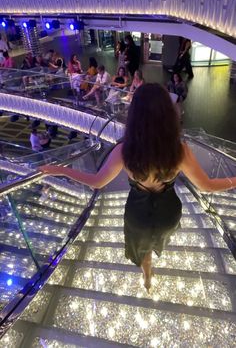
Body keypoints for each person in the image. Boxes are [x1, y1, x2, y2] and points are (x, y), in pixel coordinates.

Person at [39, 83, 236, 291]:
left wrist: (61, 170)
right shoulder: (180, 151)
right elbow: (206, 186)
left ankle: (147, 277)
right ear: (168, 115)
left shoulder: (124, 151)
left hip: (137, 214)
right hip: (167, 215)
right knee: (156, 239)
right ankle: (151, 264)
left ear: (134, 116)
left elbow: (97, 182)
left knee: (143, 251)